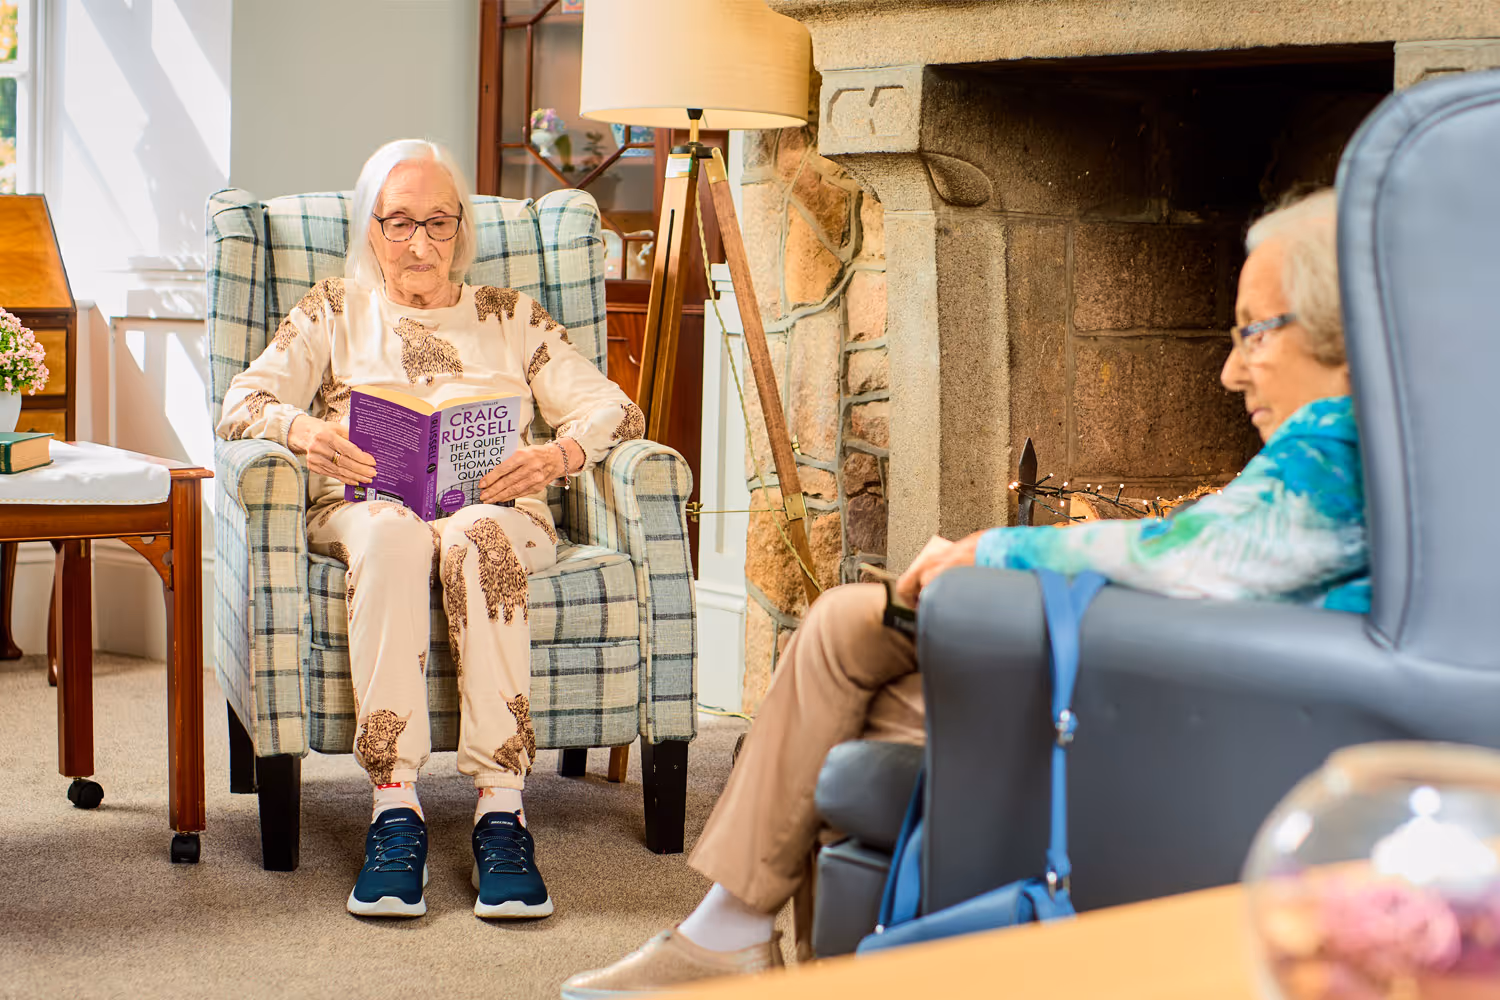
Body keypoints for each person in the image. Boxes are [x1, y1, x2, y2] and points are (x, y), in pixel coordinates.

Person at [563, 188, 1366, 995]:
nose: (1230, 370)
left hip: (1161, 703)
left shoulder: (1341, 444)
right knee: (845, 626)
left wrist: (1000, 551)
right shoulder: (1374, 443)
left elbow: (1205, 552)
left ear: (1340, 327)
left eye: (1252, 334)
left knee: (845, 712)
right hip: (1154, 676)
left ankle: (734, 938)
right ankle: (732, 936)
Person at [215, 139, 643, 920]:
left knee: (475, 536)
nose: (420, 243)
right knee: (393, 534)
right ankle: (394, 807)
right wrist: (302, 431)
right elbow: (239, 403)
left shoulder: (508, 315)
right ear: (371, 227)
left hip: (499, 512)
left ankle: (502, 810)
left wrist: (556, 454)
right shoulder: (333, 307)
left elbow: (616, 407)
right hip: (368, 508)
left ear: (461, 231)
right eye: (400, 221)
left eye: (438, 223)